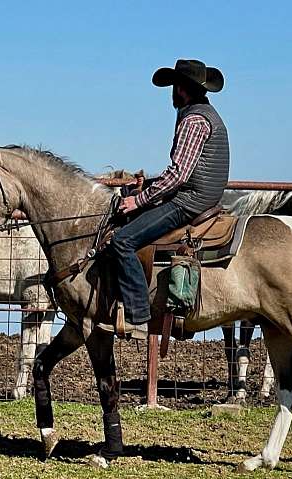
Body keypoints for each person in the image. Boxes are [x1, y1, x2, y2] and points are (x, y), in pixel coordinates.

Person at [100, 59, 230, 339]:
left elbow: (179, 175)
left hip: (190, 200)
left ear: (182, 88)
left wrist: (139, 199)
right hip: (200, 195)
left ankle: (138, 316)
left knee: (123, 241)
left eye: (174, 85)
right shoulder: (204, 113)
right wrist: (147, 186)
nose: (171, 91)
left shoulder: (193, 120)